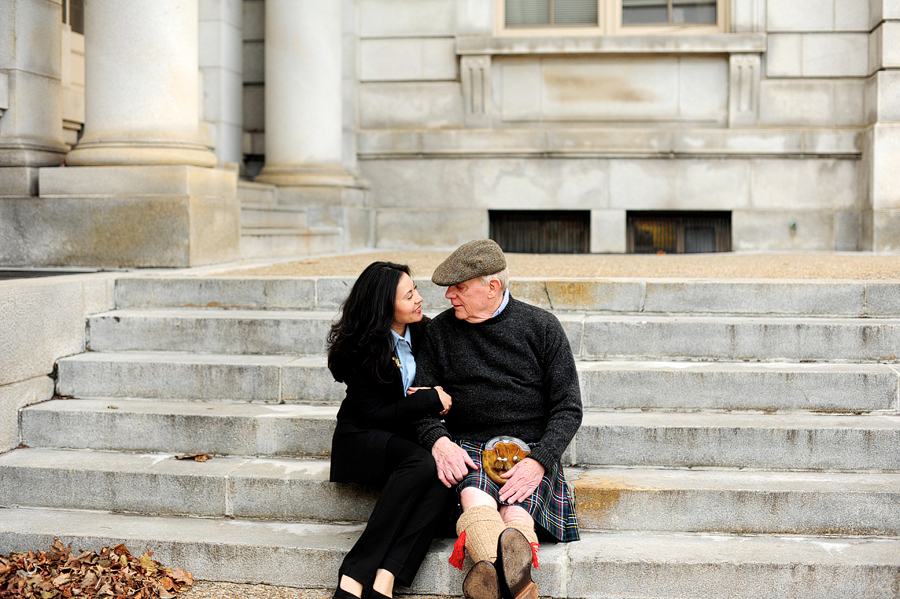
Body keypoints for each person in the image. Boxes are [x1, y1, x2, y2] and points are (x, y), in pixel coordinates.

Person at [412, 240, 583, 599]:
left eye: (458, 288)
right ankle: (518, 586)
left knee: (516, 508)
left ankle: (491, 583)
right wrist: (438, 441)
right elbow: (419, 402)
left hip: (532, 449)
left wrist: (540, 462)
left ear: (492, 287)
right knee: (476, 498)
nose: (449, 297)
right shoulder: (438, 332)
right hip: (469, 446)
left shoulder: (541, 326)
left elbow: (568, 407)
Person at [327, 261, 454, 599]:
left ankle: (386, 577)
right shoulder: (360, 348)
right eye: (409, 295)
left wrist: (436, 397)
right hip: (363, 436)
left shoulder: (424, 332)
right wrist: (427, 400)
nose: (420, 299)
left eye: (416, 290)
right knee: (423, 464)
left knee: (445, 475)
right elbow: (376, 413)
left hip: (404, 434)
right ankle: (353, 574)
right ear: (385, 306)